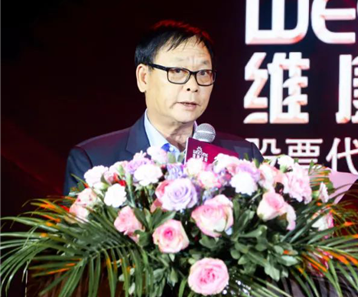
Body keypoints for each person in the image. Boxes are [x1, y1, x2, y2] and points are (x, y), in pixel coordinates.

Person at [63, 20, 262, 194]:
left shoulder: (243, 157)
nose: (192, 86)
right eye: (177, 71)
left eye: (203, 73)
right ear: (144, 78)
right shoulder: (93, 160)